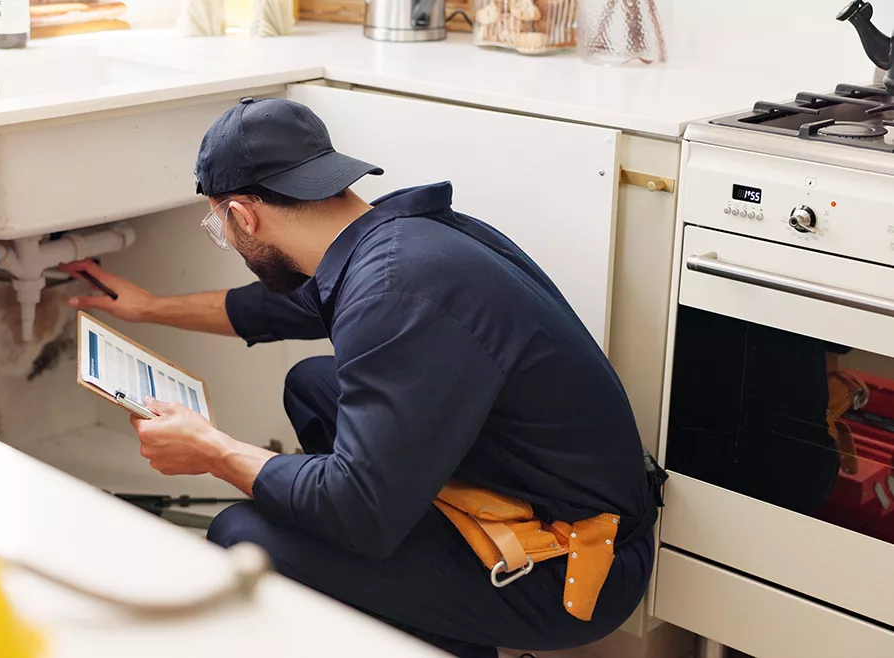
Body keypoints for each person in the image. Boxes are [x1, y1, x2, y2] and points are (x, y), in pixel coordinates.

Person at [61, 97, 658, 658]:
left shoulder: (395, 290)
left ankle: (443, 627)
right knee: (315, 386)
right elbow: (271, 310)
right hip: (537, 494)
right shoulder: (397, 238)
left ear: (244, 215)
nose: (228, 239)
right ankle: (430, 624)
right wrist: (148, 307)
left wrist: (214, 451)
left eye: (222, 227)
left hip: (573, 563)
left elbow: (359, 511)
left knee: (242, 532)